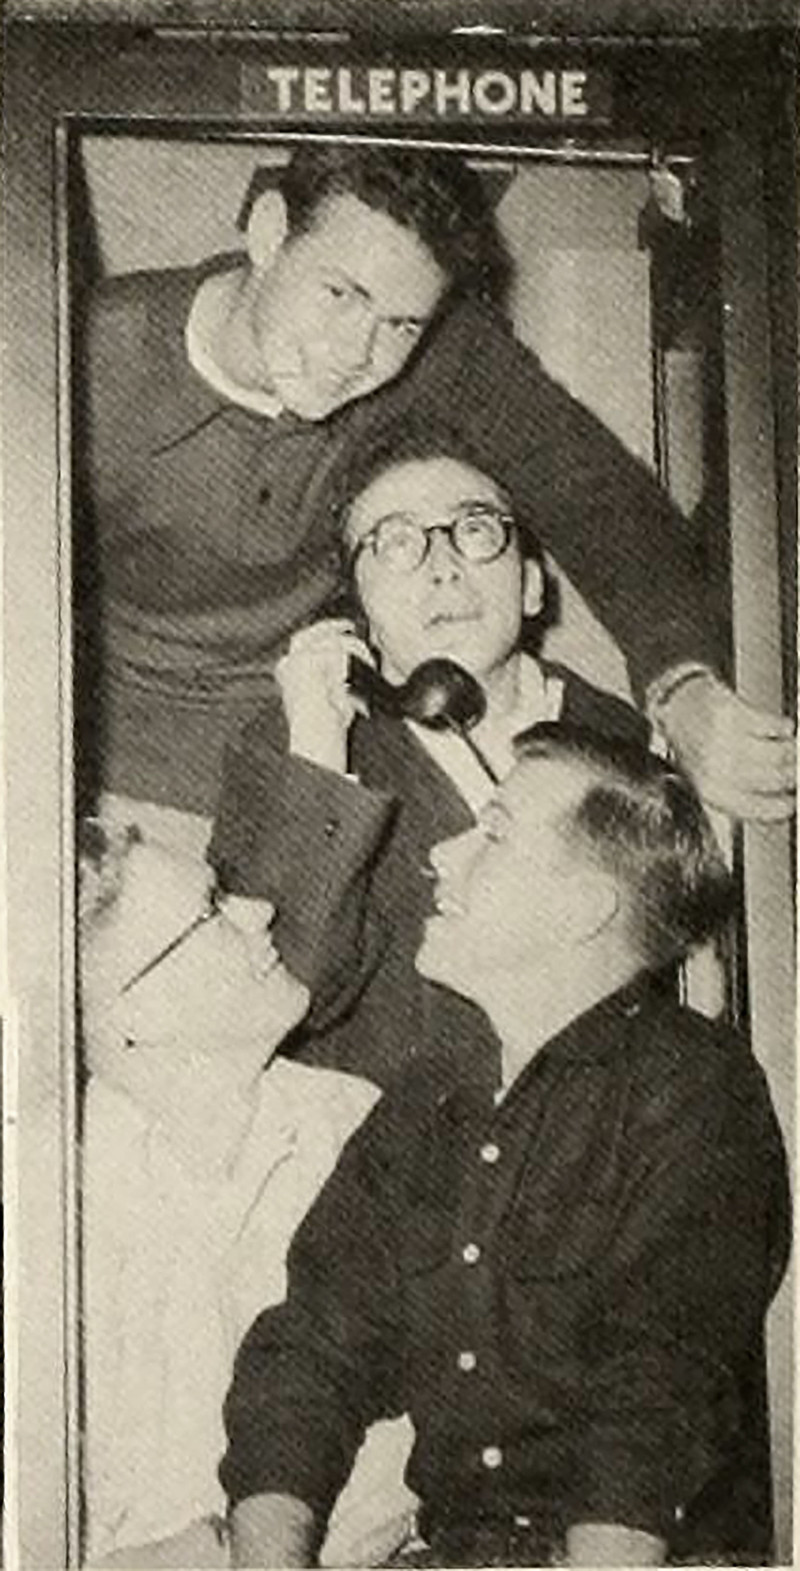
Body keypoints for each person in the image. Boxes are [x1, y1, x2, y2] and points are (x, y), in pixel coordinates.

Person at [78, 142, 794, 841]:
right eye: (340, 294)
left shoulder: (443, 353)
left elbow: (594, 493)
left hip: (320, 752)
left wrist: (682, 687)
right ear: (269, 234)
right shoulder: (85, 349)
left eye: (399, 324)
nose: (357, 353)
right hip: (102, 764)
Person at [220, 727, 791, 1569]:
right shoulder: (427, 1099)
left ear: (584, 908)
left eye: (492, 832)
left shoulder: (695, 1087)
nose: (441, 855)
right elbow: (310, 1353)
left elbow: (654, 1396)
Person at [209, 421, 650, 1090]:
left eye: (475, 529)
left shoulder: (618, 739)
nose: (444, 568)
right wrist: (320, 761)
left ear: (532, 584)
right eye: (396, 542)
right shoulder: (287, 746)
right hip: (383, 1140)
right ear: (358, 611)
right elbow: (279, 1003)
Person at [79, 822, 411, 1567]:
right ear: (135, 1015)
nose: (260, 911)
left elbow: (416, 1450)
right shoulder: (61, 1210)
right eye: (212, 909)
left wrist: (228, 1548)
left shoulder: (357, 1125)